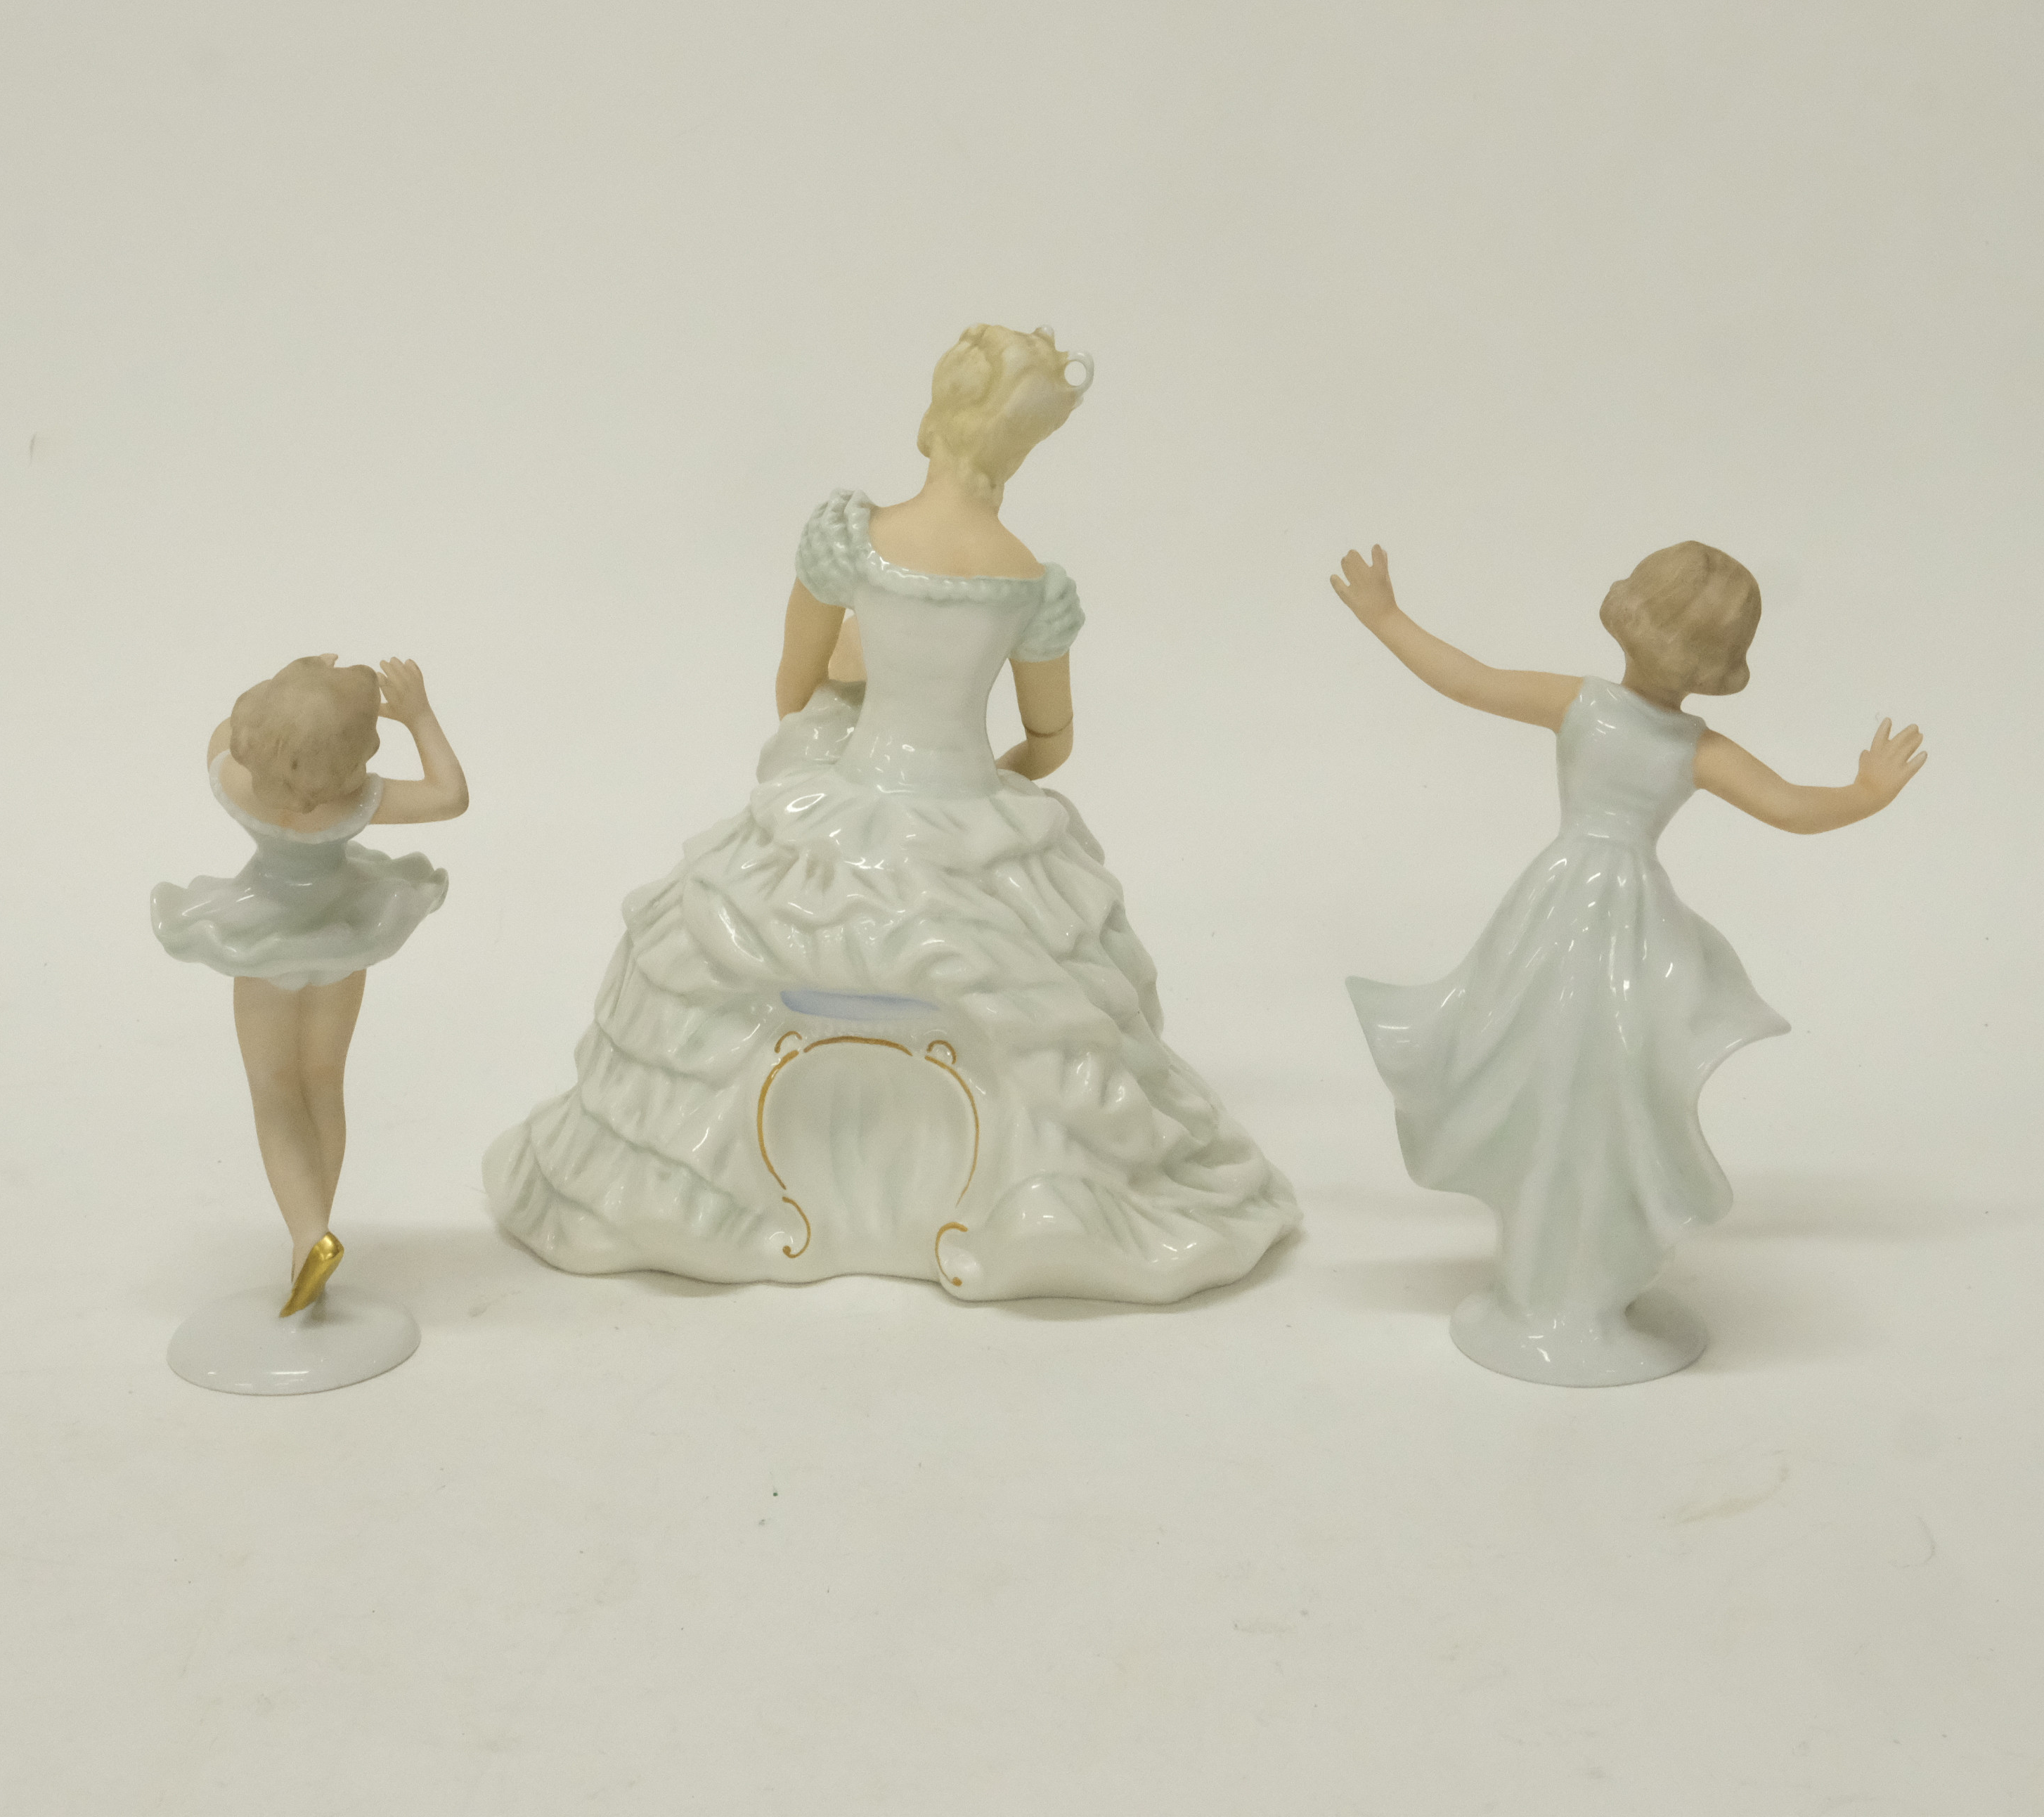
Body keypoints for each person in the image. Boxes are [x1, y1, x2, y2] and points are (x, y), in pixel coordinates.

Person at [486, 324, 1298, 1302]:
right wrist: (988, 815)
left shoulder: (852, 537)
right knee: (1057, 987)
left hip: (846, 802)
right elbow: (1049, 744)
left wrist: (855, 678)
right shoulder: (1030, 581)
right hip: (971, 806)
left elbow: (794, 692)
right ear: (1023, 446)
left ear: (935, 416)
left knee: (693, 938)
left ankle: (724, 1191)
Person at [1332, 538, 1925, 1383]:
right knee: (1562, 1076)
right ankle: (1553, 1275)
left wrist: (1388, 619)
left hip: (1597, 920)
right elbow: (1789, 807)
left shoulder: (1625, 719)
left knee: (1596, 1086)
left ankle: (1572, 1272)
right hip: (1585, 921)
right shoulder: (1653, 730)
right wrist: (1387, 618)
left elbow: (1470, 679)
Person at [153, 654, 469, 1314]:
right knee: (322, 1081)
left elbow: (229, 731)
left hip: (262, 937)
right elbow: (450, 796)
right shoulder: (359, 800)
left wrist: (292, 687)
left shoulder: (233, 777)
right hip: (340, 934)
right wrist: (417, 715)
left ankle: (309, 1236)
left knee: (274, 1089)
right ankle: (311, 1241)